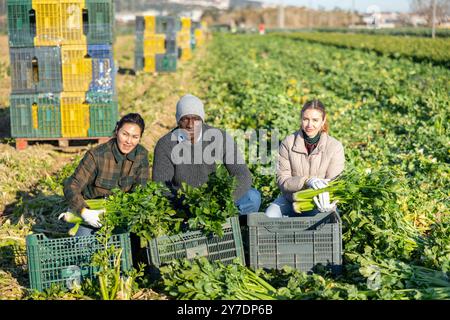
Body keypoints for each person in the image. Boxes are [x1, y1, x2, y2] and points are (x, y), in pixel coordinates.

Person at [152, 94, 261, 215]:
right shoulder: (165, 144)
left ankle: (229, 225)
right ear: (178, 120)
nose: (190, 124)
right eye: (185, 119)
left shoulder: (220, 138)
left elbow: (243, 174)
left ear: (202, 120)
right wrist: (192, 205)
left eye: (196, 119)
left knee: (252, 197)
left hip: (219, 202)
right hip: (186, 206)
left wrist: (221, 201)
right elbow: (161, 186)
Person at [61, 113, 150, 236]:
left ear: (140, 137)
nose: (129, 141)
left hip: (118, 213)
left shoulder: (141, 155)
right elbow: (71, 186)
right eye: (125, 134)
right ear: (117, 130)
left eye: (135, 137)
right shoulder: (97, 155)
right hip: (91, 211)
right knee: (83, 245)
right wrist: (84, 212)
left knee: (127, 244)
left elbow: (141, 190)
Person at [265, 100, 345, 218]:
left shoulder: (334, 147)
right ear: (301, 119)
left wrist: (327, 202)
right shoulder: (288, 143)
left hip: (319, 202)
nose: (309, 125)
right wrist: (306, 181)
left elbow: (334, 182)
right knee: (270, 215)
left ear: (323, 121)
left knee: (328, 219)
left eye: (315, 120)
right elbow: (282, 179)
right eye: (305, 119)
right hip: (291, 200)